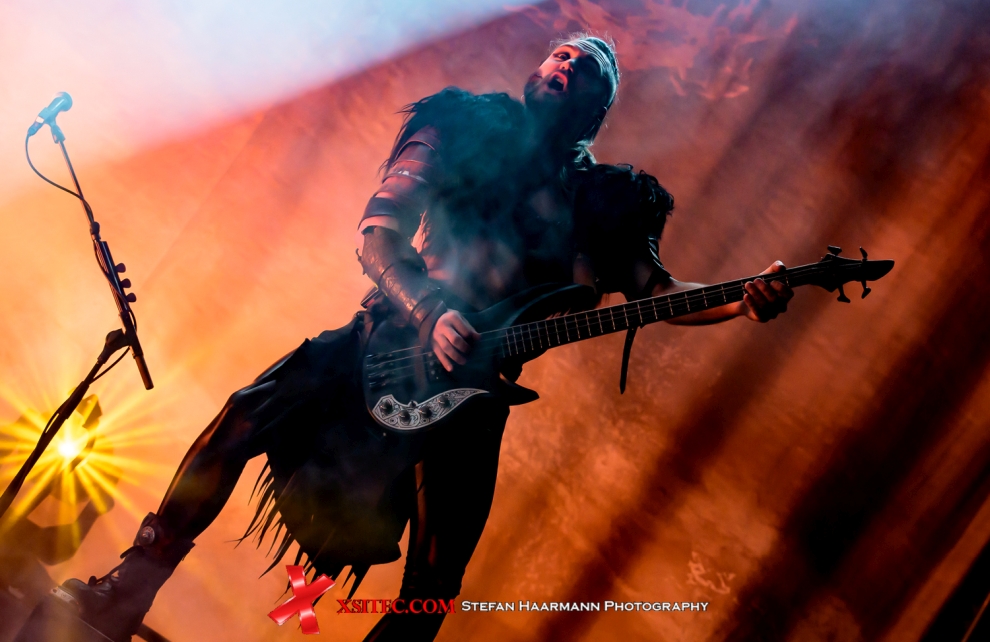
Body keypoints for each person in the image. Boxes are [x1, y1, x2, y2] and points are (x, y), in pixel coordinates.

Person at [61, 35, 792, 642]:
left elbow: (656, 293)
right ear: (537, 70)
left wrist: (740, 302)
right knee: (243, 416)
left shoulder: (605, 201)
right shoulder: (463, 126)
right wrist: (430, 310)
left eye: (588, 67)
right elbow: (378, 230)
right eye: (561, 54)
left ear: (599, 108)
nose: (569, 64)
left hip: (476, 392)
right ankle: (128, 589)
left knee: (436, 578)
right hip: (384, 337)